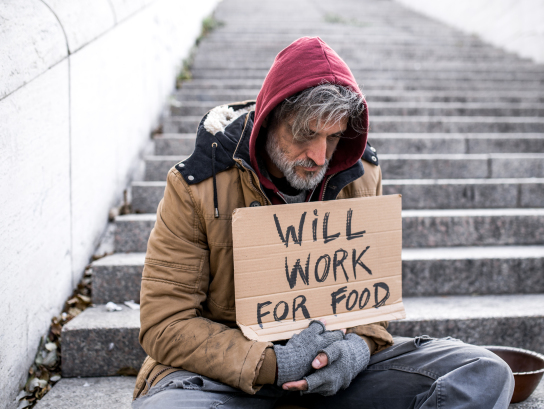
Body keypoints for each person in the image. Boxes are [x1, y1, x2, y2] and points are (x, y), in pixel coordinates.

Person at [131, 37, 514, 408]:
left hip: (333, 374)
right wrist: (271, 364)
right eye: (305, 133)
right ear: (268, 121)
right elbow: (165, 324)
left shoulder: (362, 173)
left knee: (483, 372)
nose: (318, 155)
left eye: (333, 137)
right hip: (228, 376)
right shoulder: (196, 185)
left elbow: (371, 303)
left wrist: (358, 349)